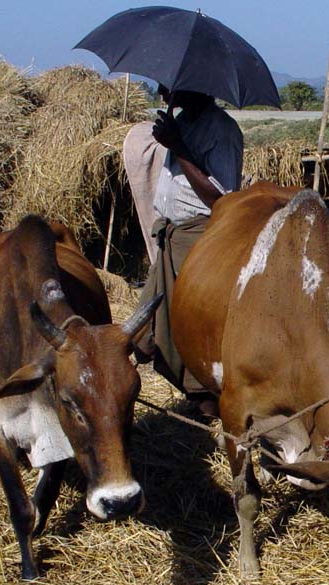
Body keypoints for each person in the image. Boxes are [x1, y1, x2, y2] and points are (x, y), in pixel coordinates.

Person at [131, 86, 243, 397]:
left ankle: (205, 397)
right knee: (151, 323)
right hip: (171, 237)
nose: (161, 91)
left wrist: (178, 146)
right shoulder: (183, 122)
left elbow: (220, 198)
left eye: (169, 86)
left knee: (194, 322)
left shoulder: (221, 130)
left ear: (194, 86)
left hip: (198, 238)